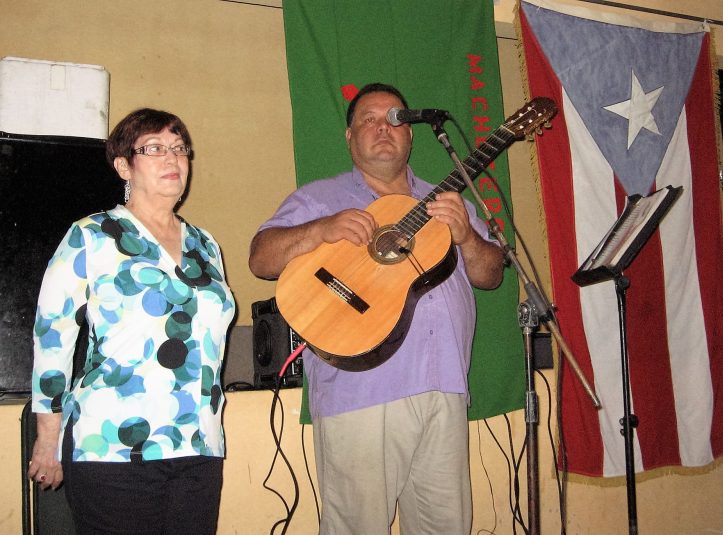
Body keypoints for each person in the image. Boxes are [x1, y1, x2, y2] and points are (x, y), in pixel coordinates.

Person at [248, 83, 505, 534]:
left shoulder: (451, 203)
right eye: (368, 119)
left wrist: (466, 236)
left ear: (412, 136)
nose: (383, 127)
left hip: (444, 387)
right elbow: (261, 258)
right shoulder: (320, 198)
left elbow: (491, 275)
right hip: (360, 391)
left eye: (396, 119)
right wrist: (321, 230)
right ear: (349, 137)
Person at [28, 108, 235, 534]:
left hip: (199, 444)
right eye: (154, 148)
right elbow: (53, 335)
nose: (172, 158)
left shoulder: (205, 244)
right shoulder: (92, 235)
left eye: (179, 149)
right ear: (124, 165)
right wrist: (48, 439)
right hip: (113, 448)